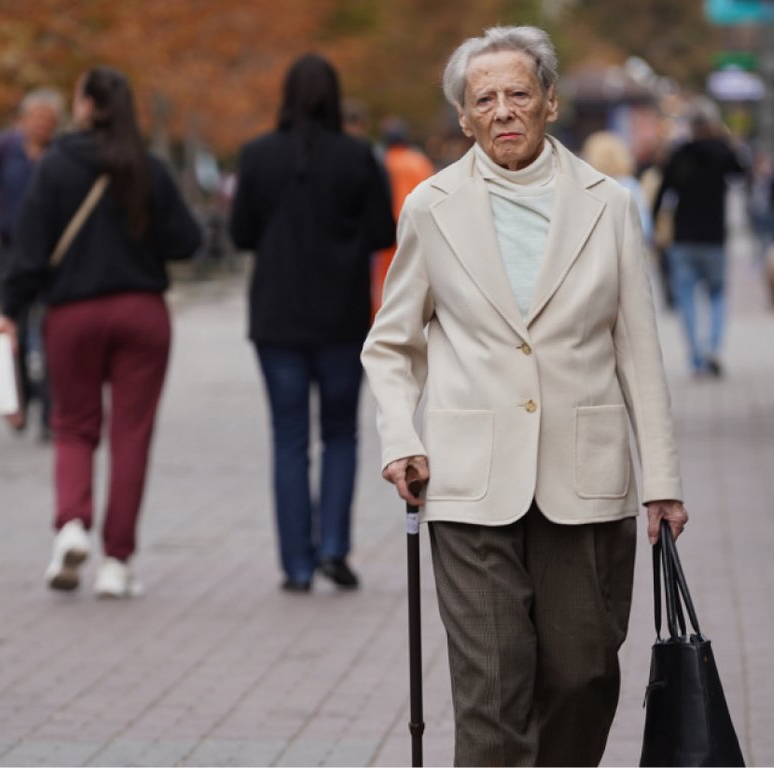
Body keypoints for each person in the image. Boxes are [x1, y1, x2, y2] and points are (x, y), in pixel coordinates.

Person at [362, 26, 687, 765]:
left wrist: (662, 480)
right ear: (465, 117)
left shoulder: (607, 205)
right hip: (470, 483)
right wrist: (400, 439)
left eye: (518, 94)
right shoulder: (431, 207)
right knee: (492, 689)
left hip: (585, 478)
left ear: (549, 101)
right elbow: (391, 345)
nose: (503, 110)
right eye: (485, 100)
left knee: (584, 674)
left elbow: (639, 351)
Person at [0, 67, 201, 598]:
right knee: (131, 433)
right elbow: (188, 241)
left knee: (74, 425)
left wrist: (9, 308)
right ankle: (117, 562)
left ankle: (71, 526)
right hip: (141, 313)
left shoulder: (56, 165)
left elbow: (29, 247)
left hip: (72, 314)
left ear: (83, 106)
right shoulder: (147, 166)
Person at [231, 53, 395, 593]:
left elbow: (240, 234)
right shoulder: (357, 158)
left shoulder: (256, 156)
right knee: (341, 434)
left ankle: (296, 565)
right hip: (341, 316)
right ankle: (333, 547)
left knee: (289, 439)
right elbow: (379, 231)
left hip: (277, 315)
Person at [0, 89, 62, 437]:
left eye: (49, 119)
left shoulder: (61, 155)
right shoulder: (0, 150)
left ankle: (50, 410)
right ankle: (13, 400)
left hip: (54, 254)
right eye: (36, 117)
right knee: (7, 327)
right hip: (10, 250)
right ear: (23, 119)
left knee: (52, 329)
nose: (41, 125)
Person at [650, 106, 745, 378]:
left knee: (686, 298)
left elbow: (662, 192)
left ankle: (695, 357)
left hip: (684, 238)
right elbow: (741, 170)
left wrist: (656, 225)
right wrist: (725, 141)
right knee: (716, 294)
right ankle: (713, 347)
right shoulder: (721, 152)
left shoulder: (681, 155)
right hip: (714, 237)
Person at [371, 117, 435, 319]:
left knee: (384, 278)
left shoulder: (381, 161)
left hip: (387, 228)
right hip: (415, 227)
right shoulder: (418, 161)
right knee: (413, 275)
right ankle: (411, 316)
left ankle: (383, 317)